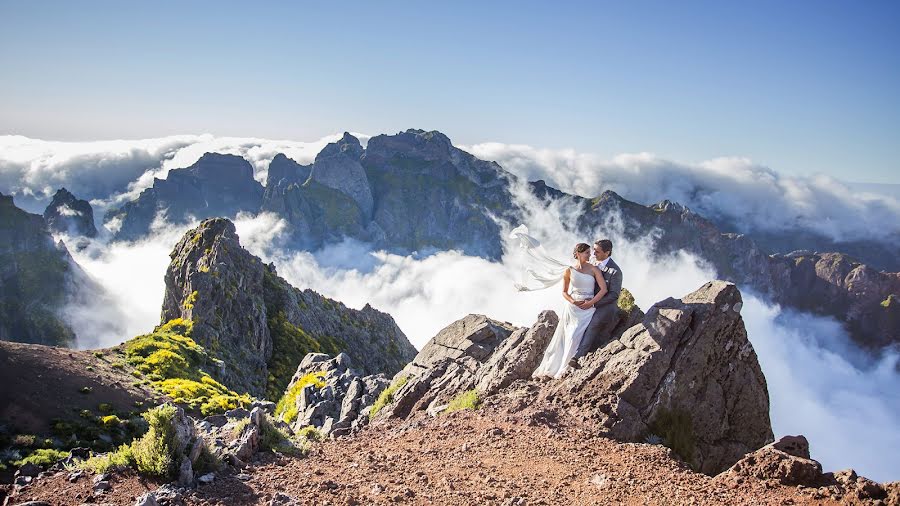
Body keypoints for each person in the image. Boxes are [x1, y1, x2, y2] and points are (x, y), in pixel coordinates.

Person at [508, 225, 609, 379]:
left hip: (588, 308)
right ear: (578, 254)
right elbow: (564, 291)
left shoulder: (594, 269)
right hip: (572, 308)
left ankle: (566, 367)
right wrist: (573, 301)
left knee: (576, 336)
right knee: (566, 336)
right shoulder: (569, 270)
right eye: (587, 252)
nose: (590, 255)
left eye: (590, 252)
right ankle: (556, 367)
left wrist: (591, 303)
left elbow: (603, 289)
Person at [569, 238, 623, 368]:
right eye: (593, 250)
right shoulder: (592, 262)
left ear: (607, 252)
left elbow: (614, 295)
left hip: (605, 306)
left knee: (593, 323)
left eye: (597, 251)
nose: (593, 254)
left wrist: (593, 304)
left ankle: (577, 356)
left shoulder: (615, 271)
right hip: (588, 300)